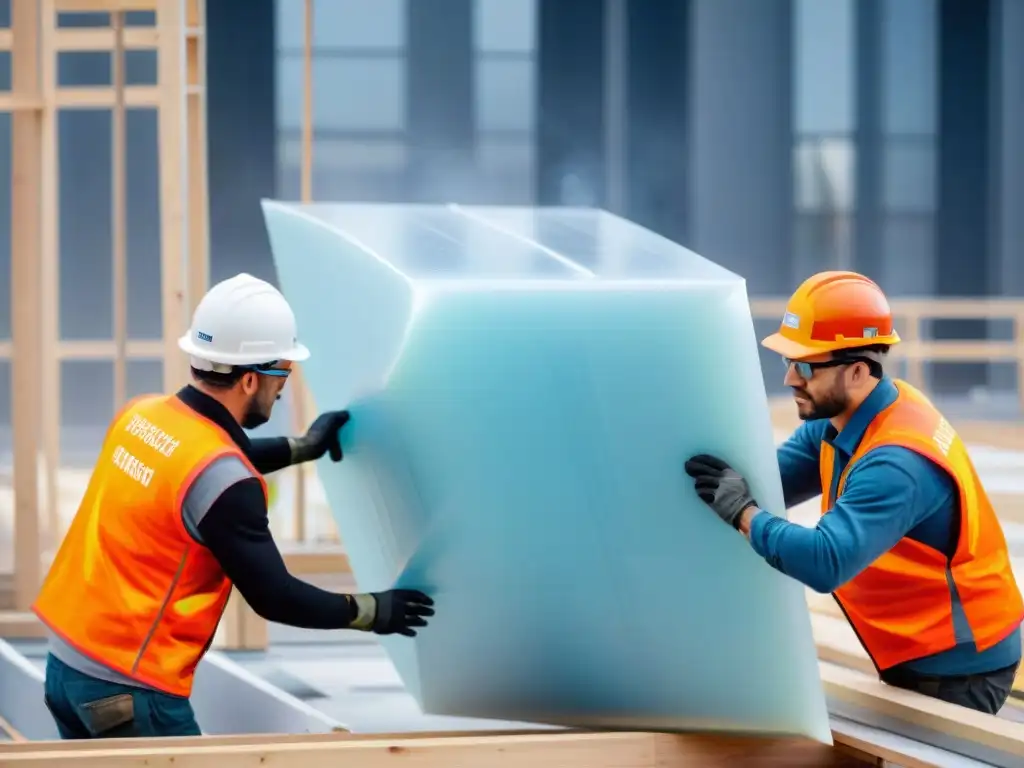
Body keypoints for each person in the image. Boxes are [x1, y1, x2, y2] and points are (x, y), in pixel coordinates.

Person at [33, 273, 435, 739]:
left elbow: (200, 461)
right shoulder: (228, 485)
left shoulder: (140, 414)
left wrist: (302, 446)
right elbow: (275, 596)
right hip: (127, 686)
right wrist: (373, 610)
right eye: (282, 373)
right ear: (249, 379)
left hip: (66, 664)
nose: (283, 387)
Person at [683, 270, 1023, 715]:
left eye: (804, 366)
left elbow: (825, 562)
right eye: (787, 362)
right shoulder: (842, 421)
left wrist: (743, 513)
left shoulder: (898, 462)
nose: (789, 379)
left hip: (960, 662)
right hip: (913, 643)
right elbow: (772, 483)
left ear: (858, 371)